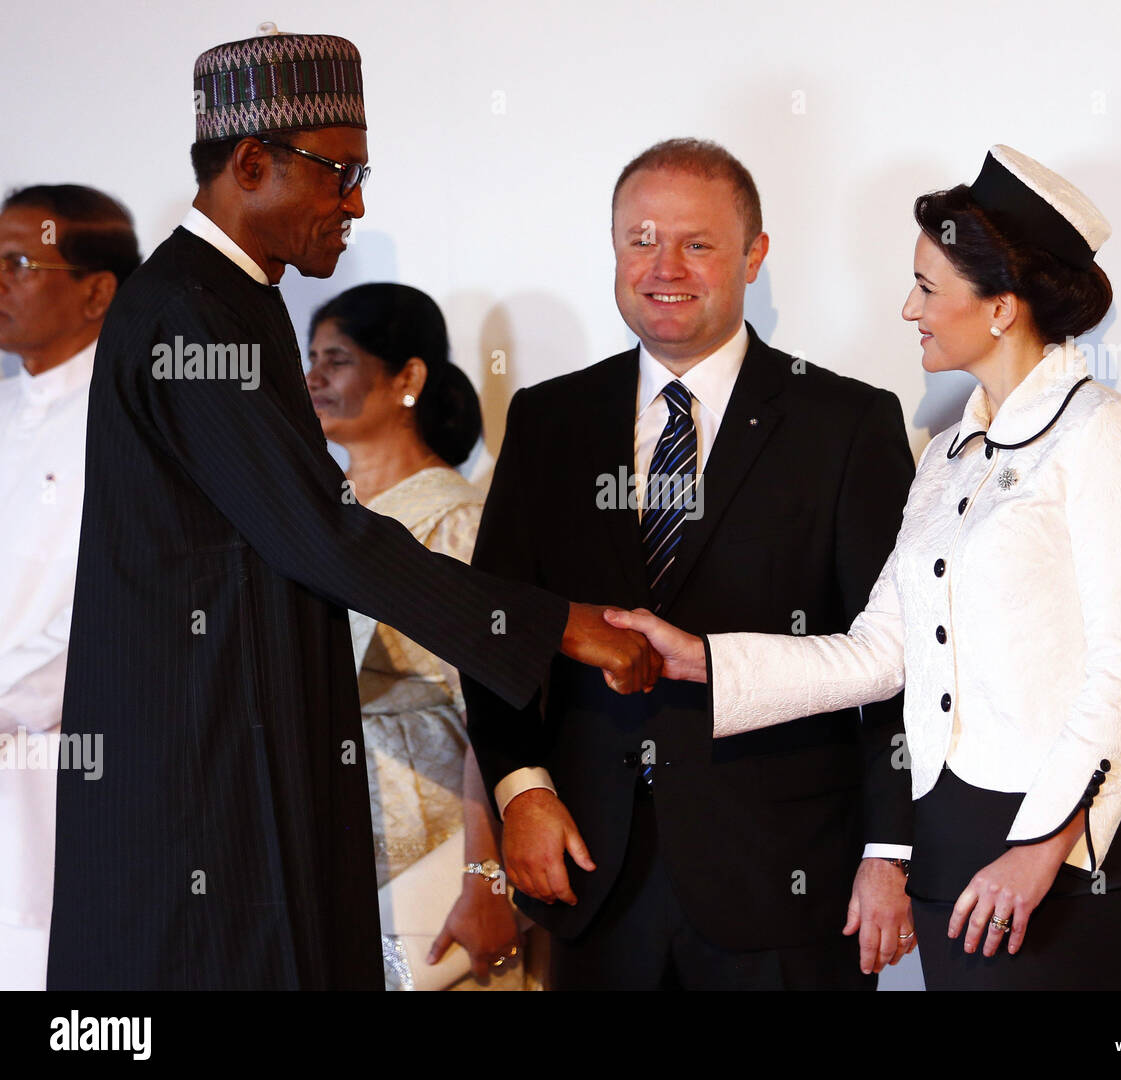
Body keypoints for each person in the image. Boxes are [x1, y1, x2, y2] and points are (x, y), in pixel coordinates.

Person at [47, 31, 657, 992]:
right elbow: (318, 534)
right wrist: (557, 625)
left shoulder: (235, 301)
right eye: (341, 173)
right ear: (251, 164)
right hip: (209, 765)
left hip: (253, 741)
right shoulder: (190, 313)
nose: (357, 203)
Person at [609, 145, 1121, 991]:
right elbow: (878, 650)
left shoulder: (1106, 435)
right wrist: (703, 659)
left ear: (1001, 307)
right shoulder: (946, 459)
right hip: (955, 837)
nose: (907, 308)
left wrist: (1041, 847)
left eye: (928, 289)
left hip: (1084, 850)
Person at [463, 138, 917, 990]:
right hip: (593, 876)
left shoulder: (845, 424)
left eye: (697, 243)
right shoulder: (547, 420)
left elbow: (892, 658)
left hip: (786, 887)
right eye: (640, 240)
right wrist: (521, 790)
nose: (663, 265)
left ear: (754, 255)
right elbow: (499, 631)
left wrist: (889, 851)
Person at [306, 283, 532, 989]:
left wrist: (486, 878)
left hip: (428, 866)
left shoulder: (458, 525)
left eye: (336, 359)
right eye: (308, 357)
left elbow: (495, 716)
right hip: (322, 851)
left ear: (408, 376)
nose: (312, 377)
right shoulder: (309, 523)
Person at [0, 185, 139, 989]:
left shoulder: (131, 416)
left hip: (62, 761)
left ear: (96, 290)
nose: (1, 283)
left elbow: (122, 604)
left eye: (19, 263)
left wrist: (15, 705)